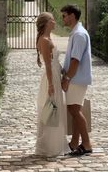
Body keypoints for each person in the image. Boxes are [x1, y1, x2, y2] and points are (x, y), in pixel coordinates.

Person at [35, 12, 69, 157]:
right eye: (53, 20)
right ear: (47, 23)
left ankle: (55, 143)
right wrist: (51, 85)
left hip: (55, 74)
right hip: (50, 78)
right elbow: (48, 65)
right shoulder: (44, 40)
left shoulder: (48, 38)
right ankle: (49, 147)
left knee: (56, 109)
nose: (55, 22)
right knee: (51, 110)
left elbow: (54, 63)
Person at [61, 4, 93, 156]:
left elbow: (75, 60)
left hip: (76, 79)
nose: (63, 19)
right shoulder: (76, 33)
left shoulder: (79, 34)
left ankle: (86, 144)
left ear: (72, 16)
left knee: (74, 110)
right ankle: (74, 143)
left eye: (64, 16)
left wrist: (67, 78)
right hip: (76, 78)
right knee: (74, 110)